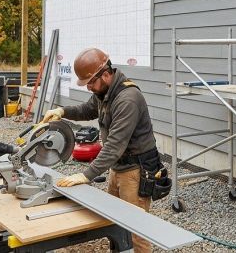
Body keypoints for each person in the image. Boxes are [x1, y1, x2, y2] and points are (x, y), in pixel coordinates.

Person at [42, 47, 159, 253]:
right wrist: (62, 111)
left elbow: (114, 145)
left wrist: (87, 174)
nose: (89, 89)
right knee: (114, 221)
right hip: (118, 166)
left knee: (137, 231)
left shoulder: (128, 99)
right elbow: (87, 110)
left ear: (105, 74)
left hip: (135, 170)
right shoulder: (104, 91)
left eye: (90, 83)